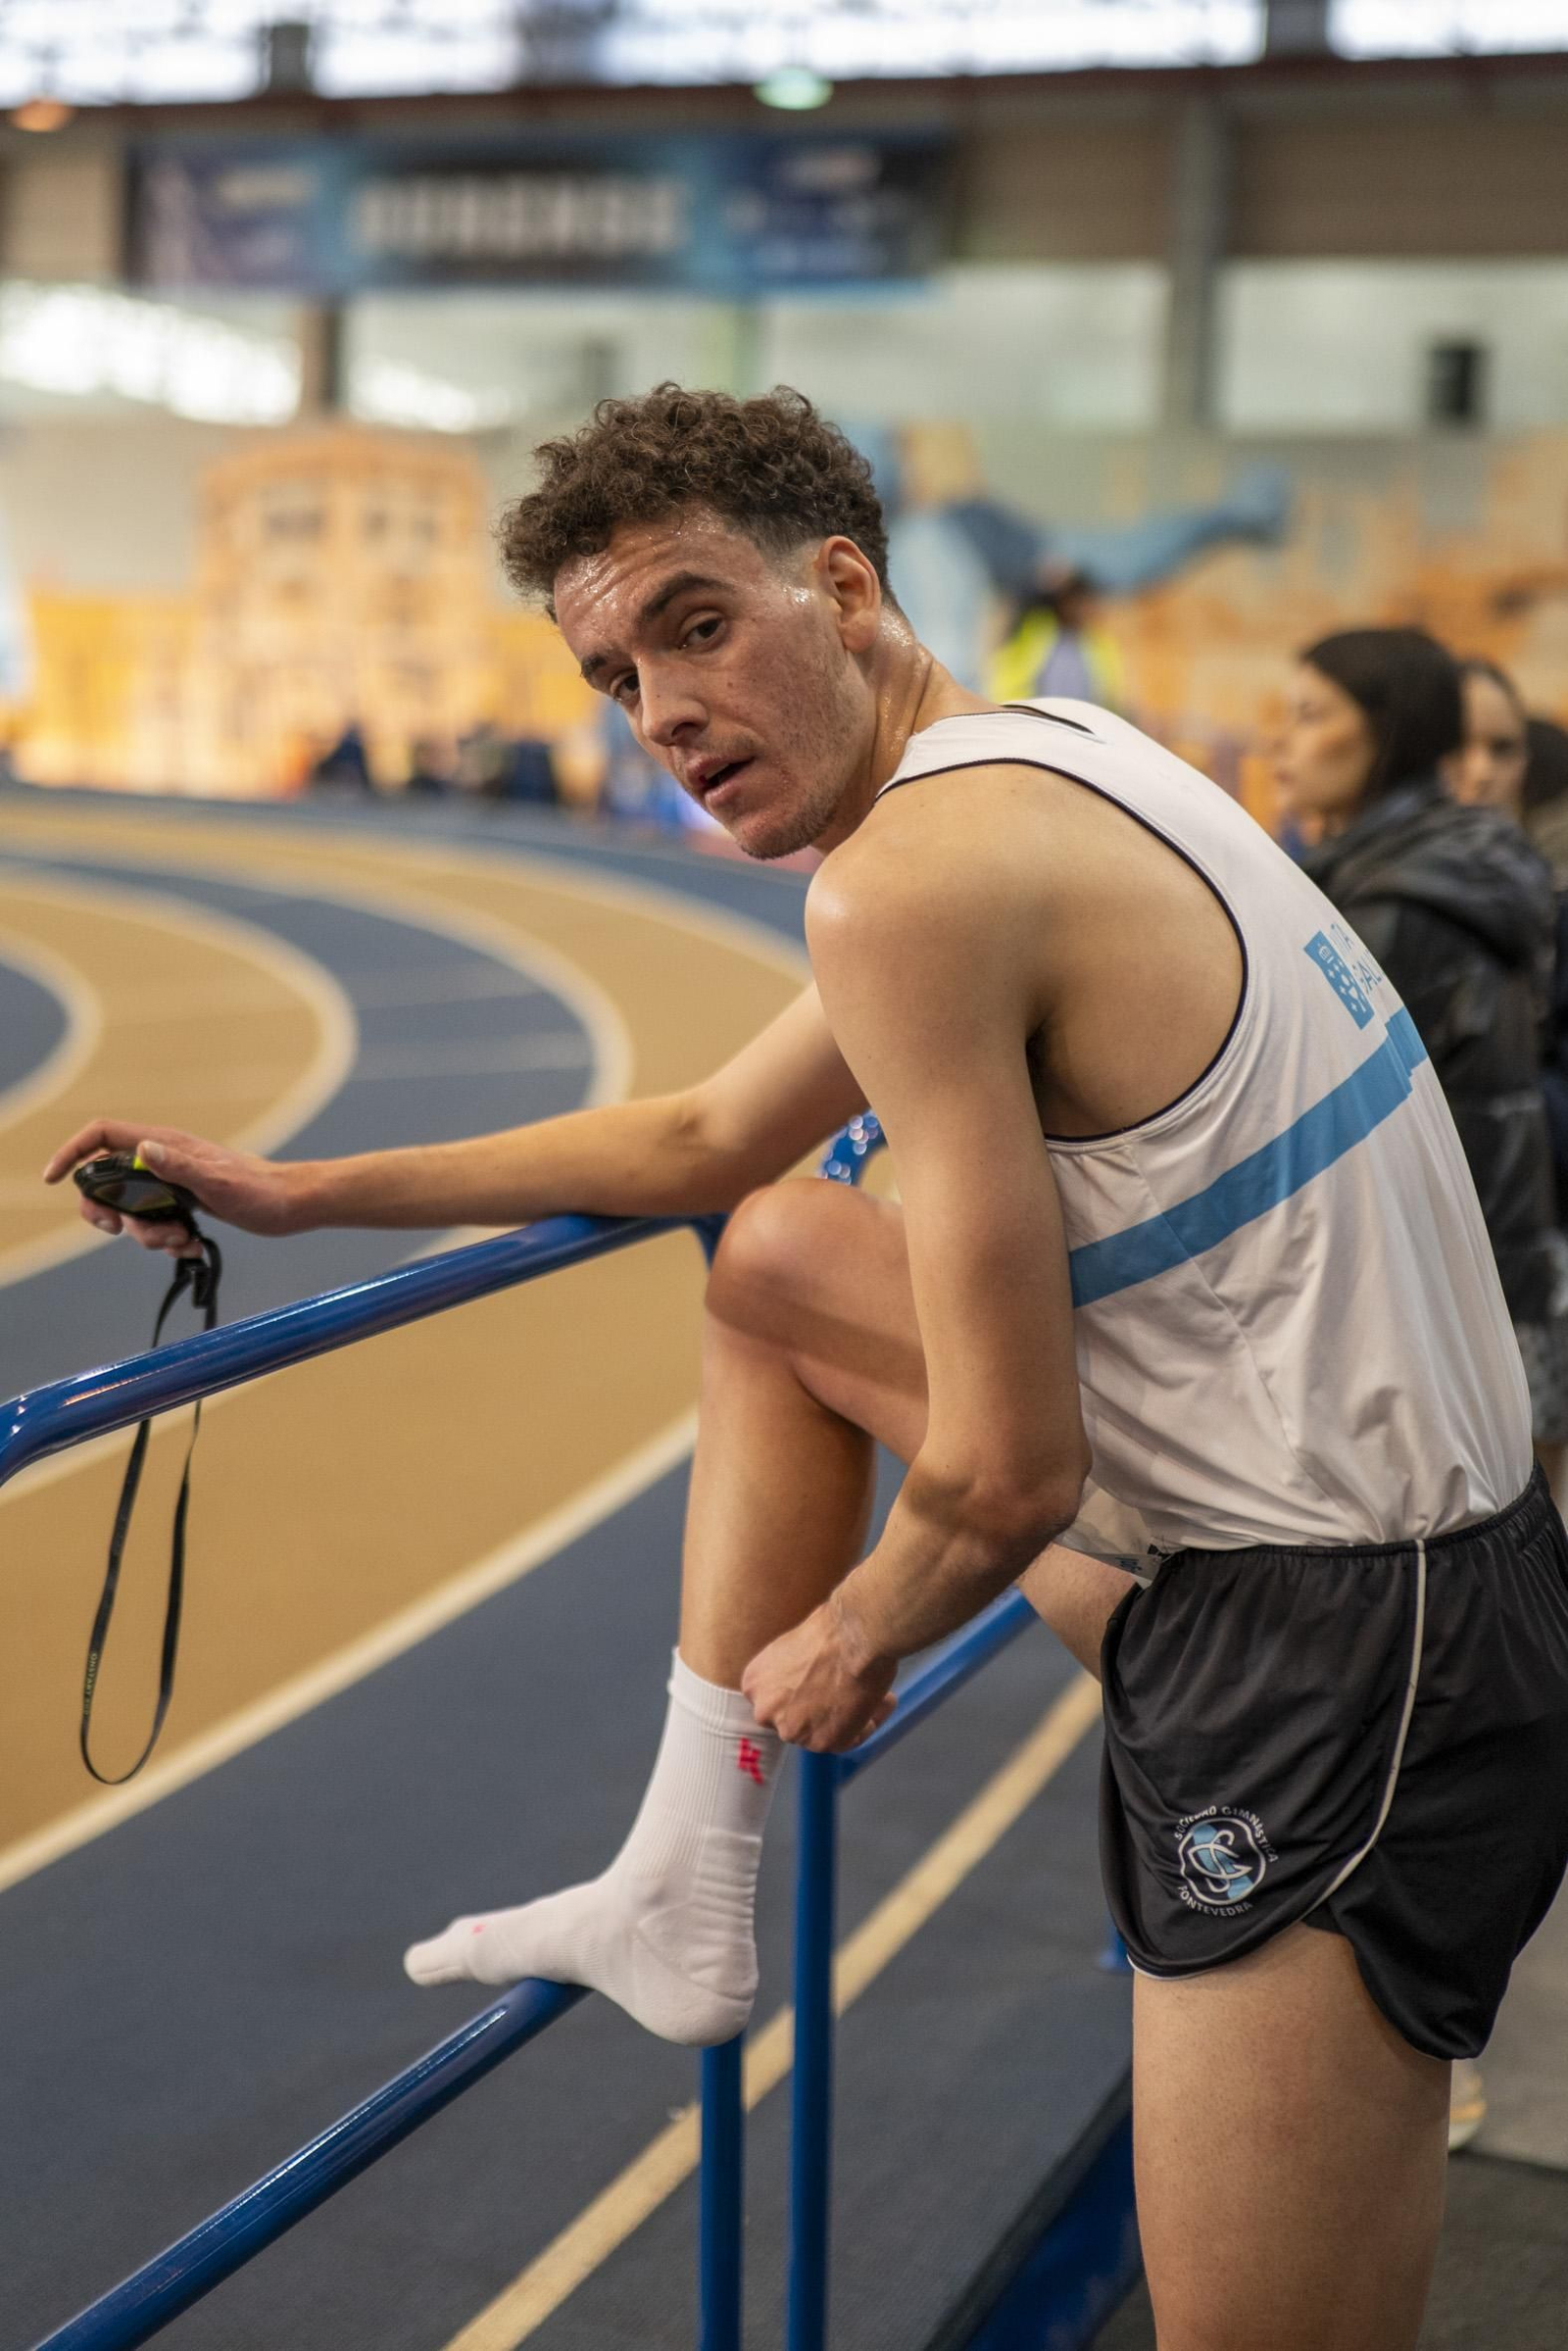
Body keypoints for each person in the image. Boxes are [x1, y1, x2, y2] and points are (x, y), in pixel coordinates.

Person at [46, 388, 1568, 2351]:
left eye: (695, 624)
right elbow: (704, 1150)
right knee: (771, 1256)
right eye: (612, 671)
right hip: (1399, 1582)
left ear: (841, 586)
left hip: (1336, 1650)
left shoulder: (905, 882)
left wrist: (845, 1637)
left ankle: (704, 1841)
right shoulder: (1063, 751)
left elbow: (1007, 1470)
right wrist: (297, 1183)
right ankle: (688, 1873)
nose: (657, 708)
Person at [1277, 630, 1566, 1487]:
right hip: (1471, 1280)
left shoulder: (1397, 908)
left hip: (1428, 1299)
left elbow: (1316, 1126)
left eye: (1309, 715)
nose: (1284, 745)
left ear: (1386, 732)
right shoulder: (1423, 875)